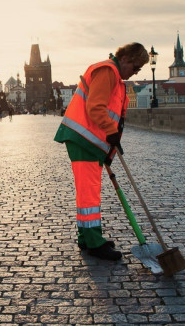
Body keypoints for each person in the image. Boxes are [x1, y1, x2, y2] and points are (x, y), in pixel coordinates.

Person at [54, 43, 149, 261]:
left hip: (89, 141)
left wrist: (110, 145)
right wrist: (110, 131)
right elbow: (95, 107)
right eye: (135, 67)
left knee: (87, 192)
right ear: (124, 59)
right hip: (84, 139)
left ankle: (87, 237)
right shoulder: (108, 71)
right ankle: (95, 243)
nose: (134, 72)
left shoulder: (114, 76)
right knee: (89, 193)